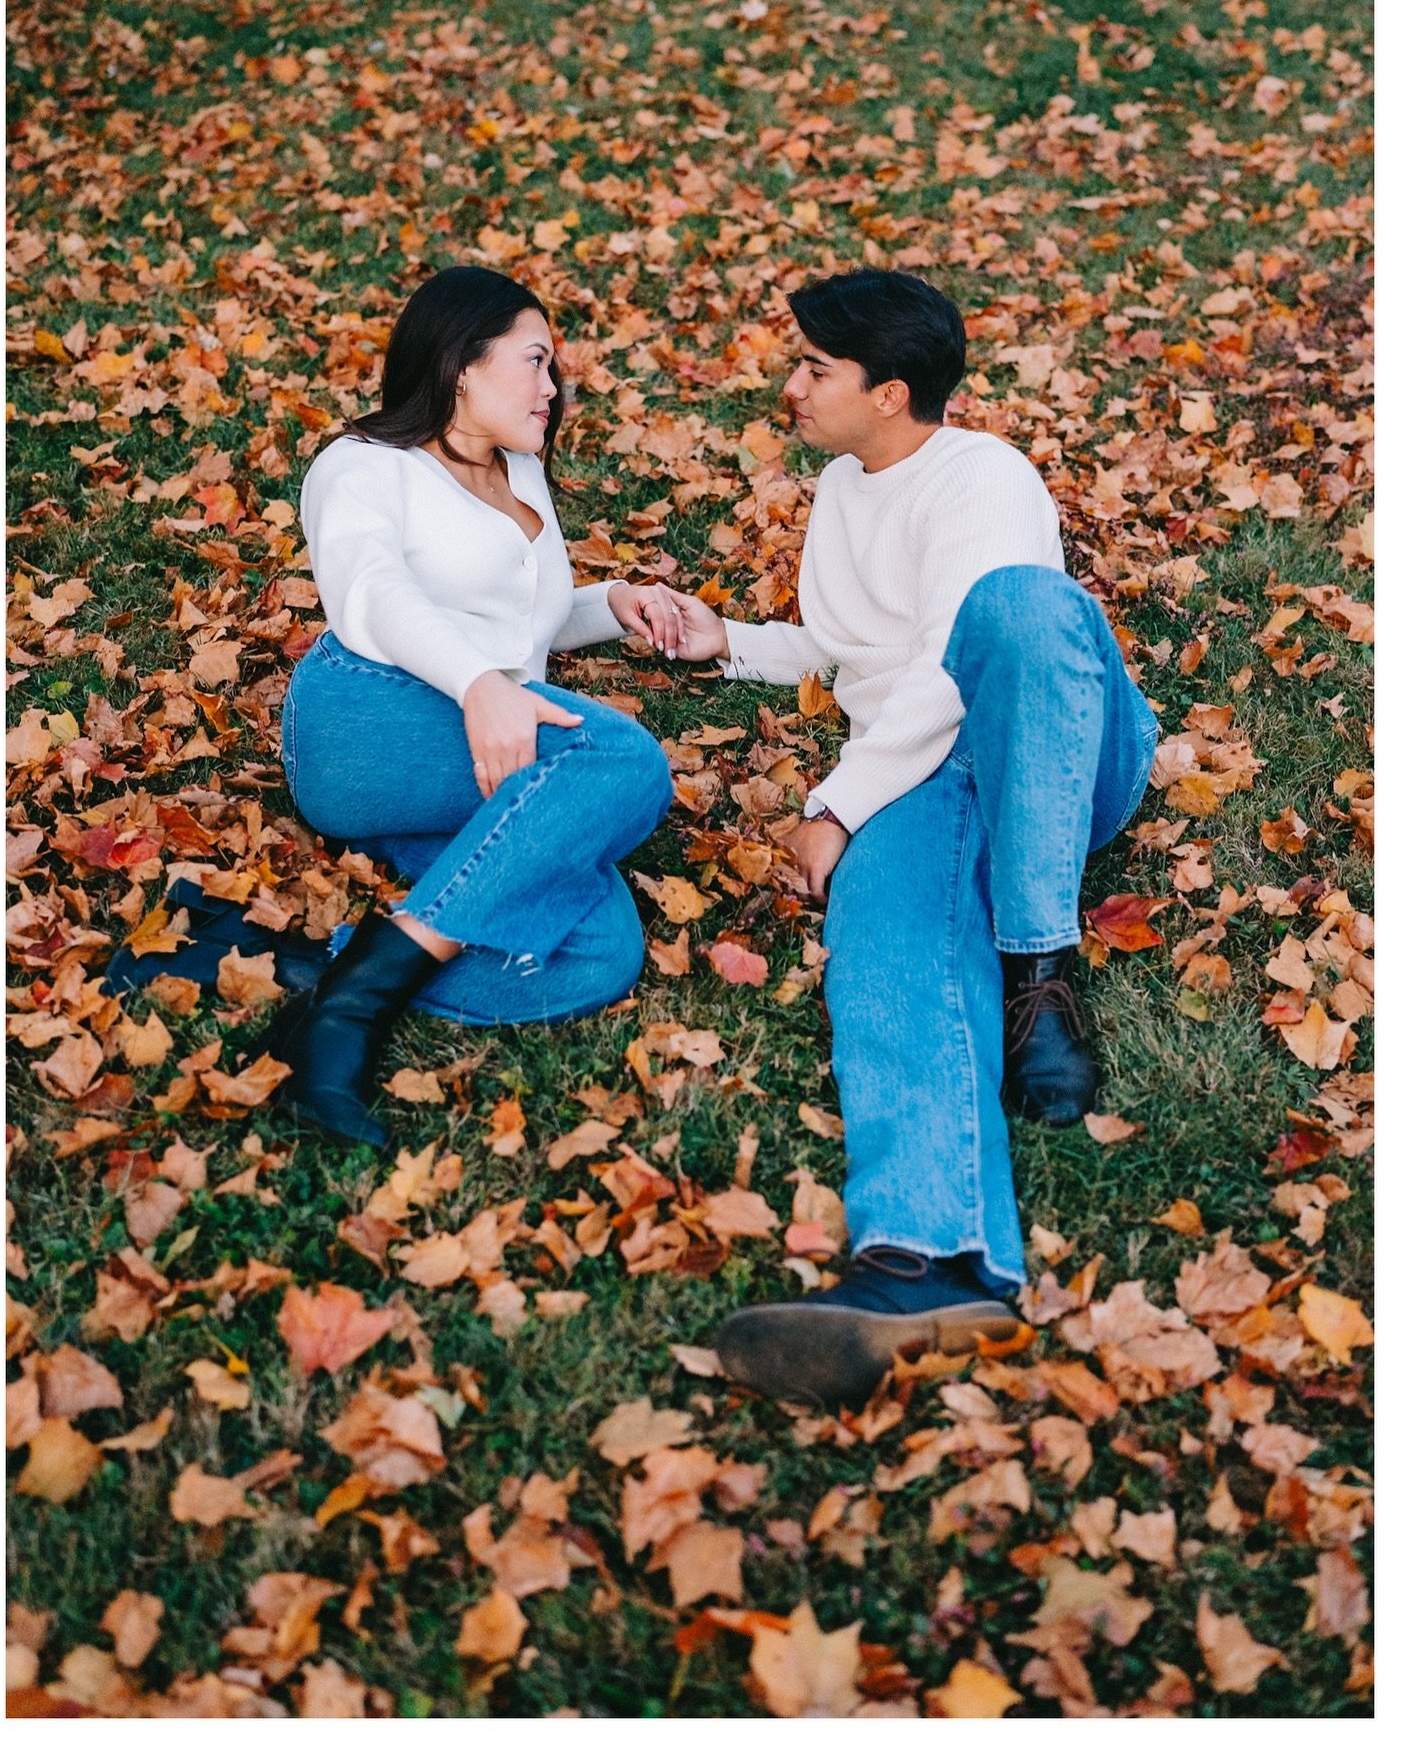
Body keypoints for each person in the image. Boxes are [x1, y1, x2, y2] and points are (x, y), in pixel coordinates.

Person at [662, 269, 1160, 1409]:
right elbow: (851, 652)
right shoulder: (843, 486)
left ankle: (1040, 972)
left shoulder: (984, 475)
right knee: (882, 937)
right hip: (922, 771)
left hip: (1048, 744)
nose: (791, 385)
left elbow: (946, 667)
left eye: (814, 369)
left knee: (1019, 606)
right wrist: (723, 640)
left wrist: (839, 802)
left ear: (888, 392)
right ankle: (929, 1261)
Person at [270, 266, 679, 1148]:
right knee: (624, 760)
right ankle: (349, 1020)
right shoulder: (363, 466)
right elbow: (373, 596)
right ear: (462, 364)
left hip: (476, 735)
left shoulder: (518, 467)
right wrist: (479, 685)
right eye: (534, 360)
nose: (552, 385)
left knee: (599, 952)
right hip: (362, 720)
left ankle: (312, 969)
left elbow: (513, 623)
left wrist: (611, 604)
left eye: (553, 366)